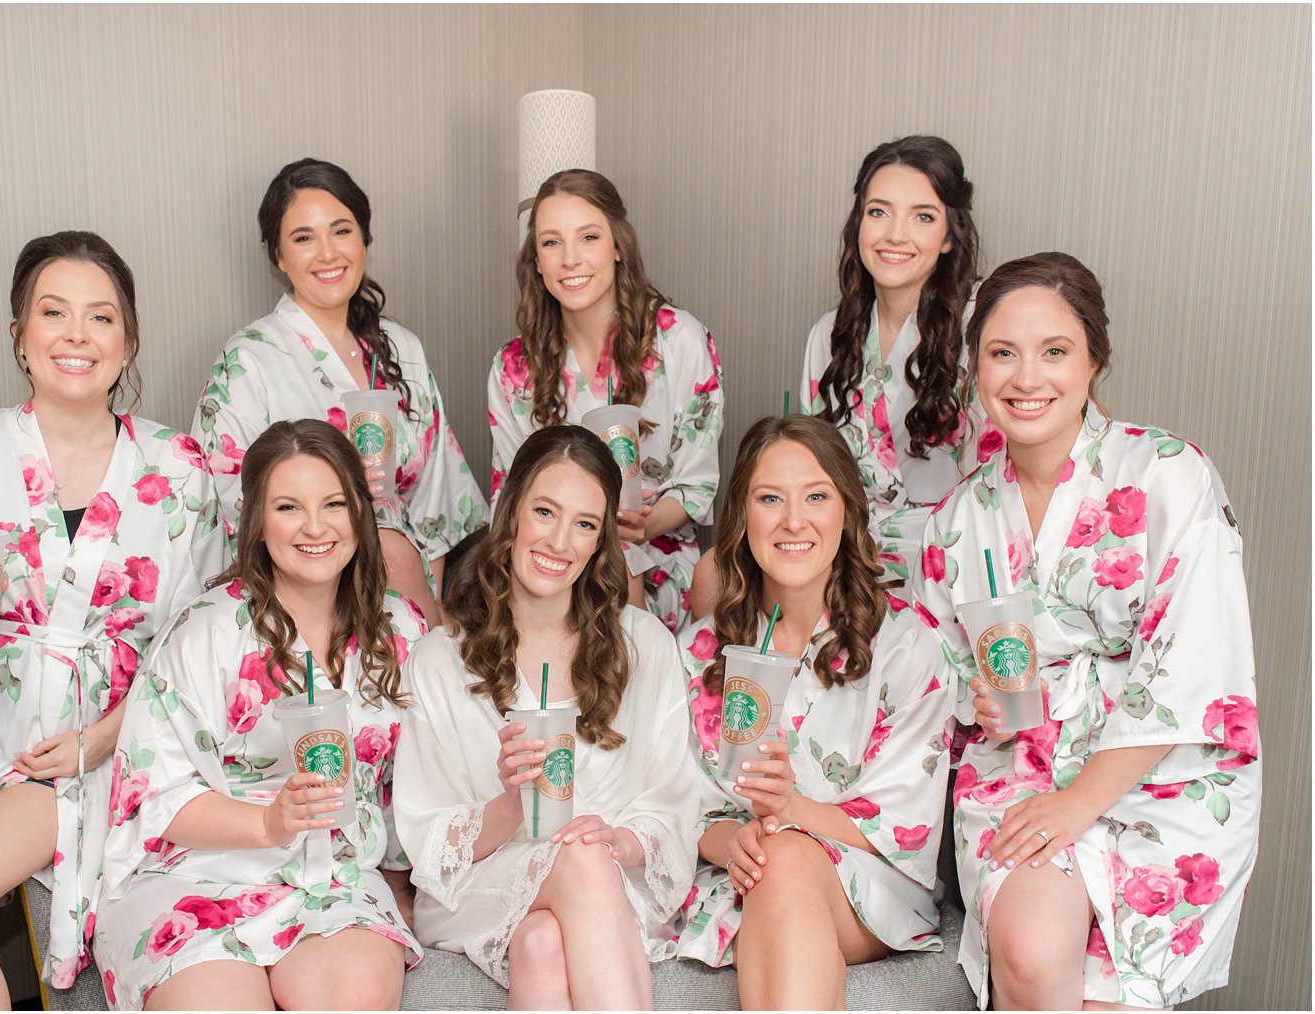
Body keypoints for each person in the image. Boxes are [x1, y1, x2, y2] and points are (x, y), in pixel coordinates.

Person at [0, 232, 223, 1008]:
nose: (77, 335)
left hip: (88, 742)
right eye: (53, 312)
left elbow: (198, 645)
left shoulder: (179, 469)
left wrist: (104, 738)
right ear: (20, 335)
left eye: (101, 318)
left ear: (127, 343)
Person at [912, 253, 1259, 1009]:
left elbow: (1193, 663)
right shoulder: (956, 521)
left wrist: (1082, 803)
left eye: (1055, 352)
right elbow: (928, 669)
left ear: (1095, 359)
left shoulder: (1169, 474)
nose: (1026, 378)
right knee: (1033, 954)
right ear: (976, 367)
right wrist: (973, 700)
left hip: (1159, 768)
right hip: (1021, 770)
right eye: (1002, 353)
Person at [94, 419, 424, 1010]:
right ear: (257, 522)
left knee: (354, 994)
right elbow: (153, 795)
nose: (316, 527)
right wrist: (268, 824)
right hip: (196, 874)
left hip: (335, 877)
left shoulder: (400, 631)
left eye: (334, 504)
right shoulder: (205, 631)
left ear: (360, 513)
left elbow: (417, 779)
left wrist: (400, 883)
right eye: (289, 507)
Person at [394, 425, 698, 1008]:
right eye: (545, 511)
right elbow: (428, 844)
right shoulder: (439, 661)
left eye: (584, 524)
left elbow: (675, 804)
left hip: (613, 882)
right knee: (580, 863)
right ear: (510, 512)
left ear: (600, 542)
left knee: (541, 945)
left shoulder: (645, 647)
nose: (560, 541)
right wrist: (509, 804)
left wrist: (622, 841)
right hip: (483, 884)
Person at [673, 415, 954, 1008]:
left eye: (817, 497)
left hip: (866, 881)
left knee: (787, 858)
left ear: (848, 512)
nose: (793, 521)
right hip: (734, 874)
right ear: (742, 517)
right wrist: (731, 844)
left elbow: (902, 824)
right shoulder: (699, 654)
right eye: (769, 498)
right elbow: (675, 799)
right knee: (777, 863)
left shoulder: (906, 646)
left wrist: (791, 811)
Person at [690, 135, 980, 616]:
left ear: (949, 236)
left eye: (923, 217)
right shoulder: (830, 334)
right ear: (859, 223)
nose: (895, 235)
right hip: (847, 541)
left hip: (949, 549)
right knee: (712, 575)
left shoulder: (982, 326)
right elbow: (809, 466)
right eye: (879, 212)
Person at [195, 157, 487, 628]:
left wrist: (424, 615)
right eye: (304, 238)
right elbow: (225, 503)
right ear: (279, 257)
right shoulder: (249, 359)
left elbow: (437, 503)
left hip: (410, 589)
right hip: (306, 595)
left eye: (342, 231)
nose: (327, 253)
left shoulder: (402, 349)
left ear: (364, 239)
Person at [489, 169, 723, 633]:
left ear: (618, 246)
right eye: (551, 243)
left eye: (589, 237)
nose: (570, 259)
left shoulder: (680, 341)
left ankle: (637, 687)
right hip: (551, 560)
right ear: (536, 260)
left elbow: (696, 485)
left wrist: (642, 526)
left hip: (657, 560)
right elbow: (508, 493)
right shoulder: (513, 367)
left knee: (622, 565)